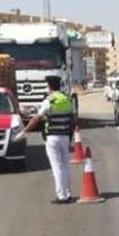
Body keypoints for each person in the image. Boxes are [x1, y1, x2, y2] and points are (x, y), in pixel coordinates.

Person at [18, 76, 76, 204]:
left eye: (46, 85)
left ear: (49, 86)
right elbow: (72, 121)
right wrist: (70, 140)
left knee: (57, 168)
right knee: (65, 166)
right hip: (65, 136)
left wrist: (24, 132)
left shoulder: (49, 101)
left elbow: (35, 119)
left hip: (52, 137)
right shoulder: (67, 99)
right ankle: (67, 193)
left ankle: (62, 196)